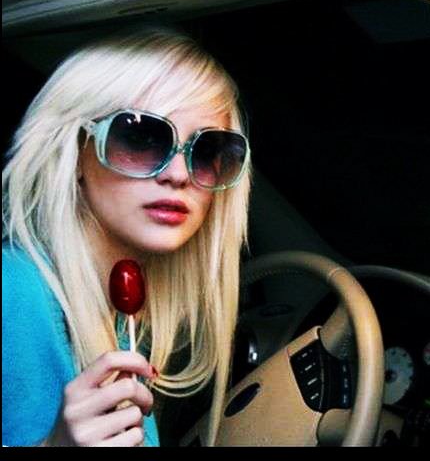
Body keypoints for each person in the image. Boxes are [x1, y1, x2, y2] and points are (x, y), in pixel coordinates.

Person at [2, 26, 252, 446]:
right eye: (140, 137)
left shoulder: (118, 317)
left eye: (207, 151)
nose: (178, 175)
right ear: (75, 152)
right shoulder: (12, 290)